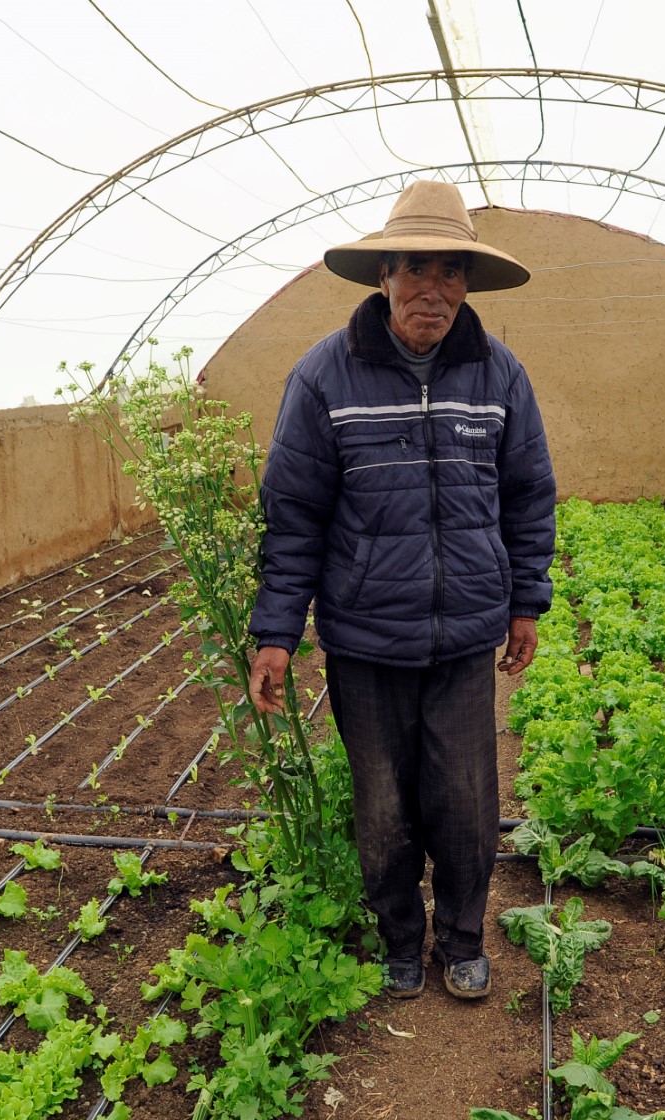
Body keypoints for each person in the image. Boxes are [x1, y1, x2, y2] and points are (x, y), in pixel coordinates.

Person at [246, 181, 557, 1001]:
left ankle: (460, 937)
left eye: (450, 272)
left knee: (463, 801)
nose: (433, 289)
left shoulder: (497, 375)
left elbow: (527, 493)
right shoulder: (324, 377)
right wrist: (275, 632)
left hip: (462, 637)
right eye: (416, 269)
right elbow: (294, 515)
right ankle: (397, 935)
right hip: (363, 640)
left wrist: (525, 601)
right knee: (382, 807)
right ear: (383, 274)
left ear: (466, 283)